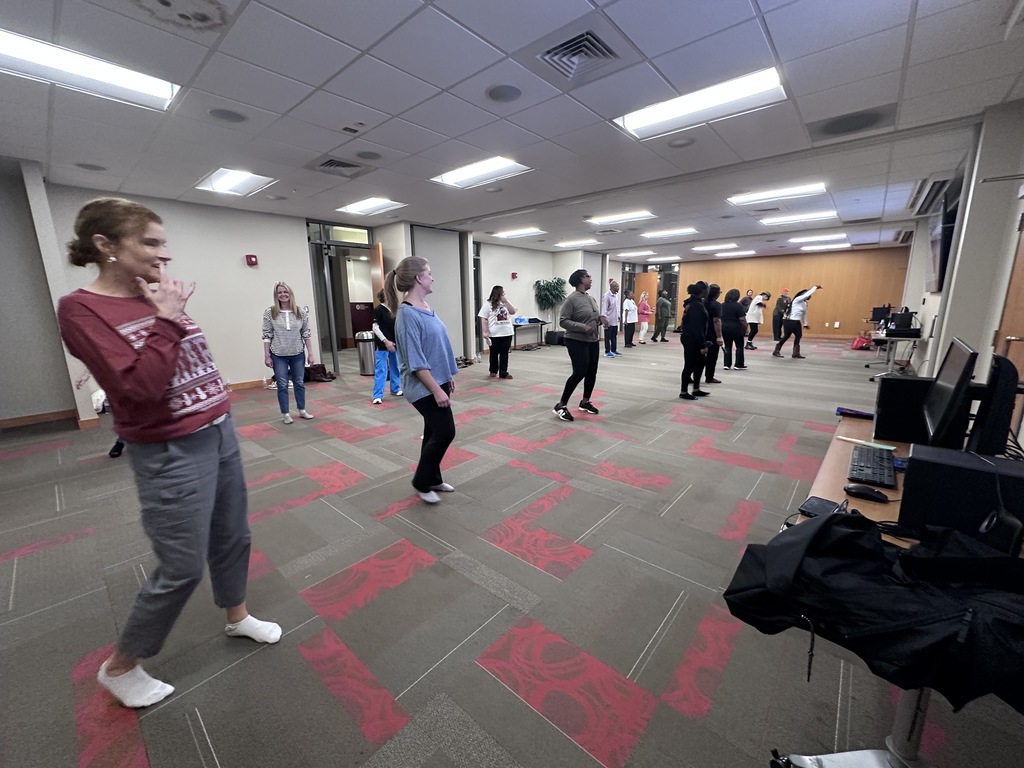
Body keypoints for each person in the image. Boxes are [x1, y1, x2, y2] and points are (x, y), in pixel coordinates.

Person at [57, 198, 281, 709]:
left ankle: (237, 615)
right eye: (151, 243)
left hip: (218, 429)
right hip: (168, 448)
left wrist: (166, 317)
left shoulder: (151, 294)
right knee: (180, 564)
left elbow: (186, 359)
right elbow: (140, 391)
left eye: (164, 243)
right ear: (106, 246)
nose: (165, 255)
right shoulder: (80, 309)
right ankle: (121, 666)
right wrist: (168, 319)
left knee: (232, 535)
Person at [386, 256, 459, 505]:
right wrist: (437, 390)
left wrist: (447, 376)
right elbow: (416, 362)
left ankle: (433, 478)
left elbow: (439, 346)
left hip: (437, 381)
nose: (432, 277)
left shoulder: (426, 307)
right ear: (419, 278)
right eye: (429, 272)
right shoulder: (407, 315)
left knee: (432, 432)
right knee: (446, 431)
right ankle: (421, 480)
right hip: (423, 386)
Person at [262, 282, 315, 424]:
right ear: (276, 295)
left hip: (297, 353)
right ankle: (285, 413)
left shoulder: (300, 312)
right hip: (278, 354)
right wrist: (267, 355)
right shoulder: (270, 312)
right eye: (279, 293)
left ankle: (302, 410)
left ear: (290, 294)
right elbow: (267, 335)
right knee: (282, 384)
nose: (283, 295)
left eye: (285, 292)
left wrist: (310, 353)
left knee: (299, 382)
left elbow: (306, 334)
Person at [552, 269, 602, 421]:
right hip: (576, 341)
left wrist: (601, 319)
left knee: (592, 372)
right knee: (579, 372)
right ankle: (560, 405)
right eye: (588, 276)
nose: (590, 278)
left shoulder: (590, 298)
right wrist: (583, 327)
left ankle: (585, 402)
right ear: (580, 280)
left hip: (592, 340)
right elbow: (563, 320)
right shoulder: (571, 299)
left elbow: (591, 317)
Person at [679, 282, 710, 400]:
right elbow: (697, 327)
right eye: (707, 289)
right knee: (690, 365)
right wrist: (702, 344)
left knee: (701, 363)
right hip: (692, 339)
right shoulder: (696, 305)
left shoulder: (694, 302)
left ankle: (696, 388)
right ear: (703, 290)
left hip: (693, 337)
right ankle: (683, 392)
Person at [478, 285, 517, 380]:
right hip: (494, 334)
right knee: (494, 353)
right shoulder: (488, 304)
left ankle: (503, 372)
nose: (504, 294)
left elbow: (513, 311)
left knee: (504, 353)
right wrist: (485, 332)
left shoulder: (505, 303)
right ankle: (493, 370)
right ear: (498, 293)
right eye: (502, 293)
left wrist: (506, 301)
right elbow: (483, 318)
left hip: (507, 332)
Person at [371, 289, 402, 404]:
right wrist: (386, 341)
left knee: (396, 366)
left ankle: (396, 388)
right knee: (381, 369)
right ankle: (377, 395)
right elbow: (375, 328)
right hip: (383, 345)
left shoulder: (394, 310)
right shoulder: (378, 310)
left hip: (395, 344)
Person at [774, 285, 821, 359]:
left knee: (798, 335)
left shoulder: (804, 303)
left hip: (796, 321)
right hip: (789, 320)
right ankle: (776, 350)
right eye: (808, 294)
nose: (810, 296)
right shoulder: (797, 299)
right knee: (787, 336)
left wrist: (805, 323)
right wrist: (814, 288)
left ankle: (796, 353)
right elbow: (807, 294)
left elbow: (804, 314)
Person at [720, 288, 749, 370]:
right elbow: (742, 319)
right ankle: (738, 364)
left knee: (727, 345)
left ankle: (726, 364)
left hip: (724, 327)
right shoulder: (738, 305)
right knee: (739, 346)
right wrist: (746, 327)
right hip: (736, 328)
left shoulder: (722, 305)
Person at [703, 284, 724, 384]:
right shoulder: (716, 305)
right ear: (717, 294)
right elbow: (717, 321)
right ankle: (709, 376)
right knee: (712, 356)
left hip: (701, 332)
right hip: (711, 333)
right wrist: (719, 336)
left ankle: (692, 375)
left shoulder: (701, 302)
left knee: (698, 355)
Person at [602, 279, 621, 357]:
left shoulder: (615, 295)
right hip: (608, 320)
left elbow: (617, 307)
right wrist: (604, 320)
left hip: (615, 319)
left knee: (614, 336)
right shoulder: (607, 296)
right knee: (608, 336)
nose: (618, 288)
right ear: (612, 287)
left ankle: (614, 349)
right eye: (617, 286)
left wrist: (619, 315)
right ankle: (607, 351)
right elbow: (604, 308)